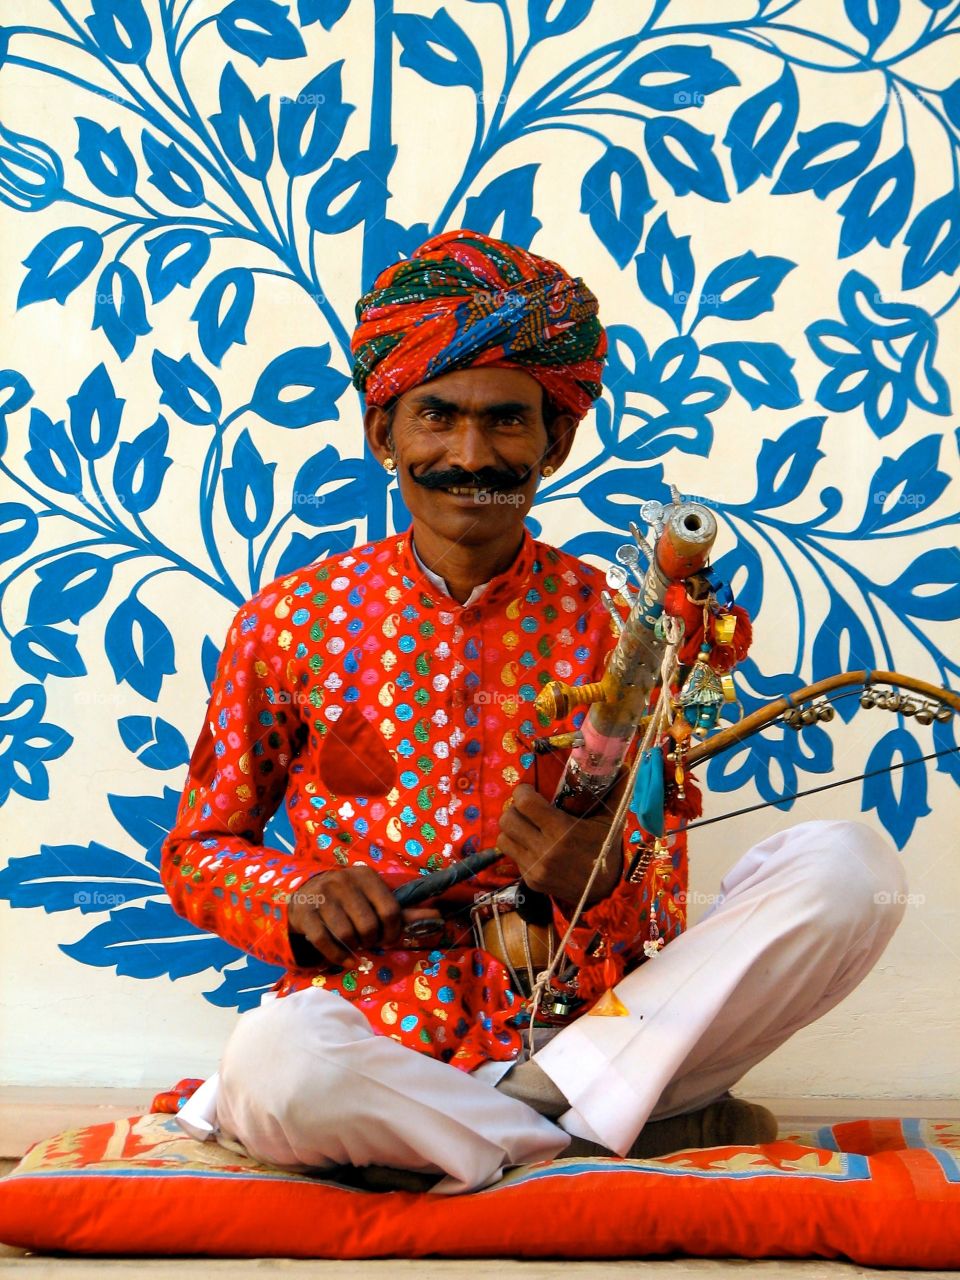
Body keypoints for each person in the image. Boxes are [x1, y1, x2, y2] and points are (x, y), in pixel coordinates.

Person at [160, 230, 908, 1194]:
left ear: (553, 440)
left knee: (848, 869)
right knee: (274, 1063)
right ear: (382, 432)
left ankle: (505, 1131)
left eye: (507, 422)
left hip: (588, 1035)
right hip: (372, 1034)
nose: (470, 455)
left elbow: (661, 894)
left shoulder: (623, 629)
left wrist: (596, 883)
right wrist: (297, 902)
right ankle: (598, 1136)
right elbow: (199, 849)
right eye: (437, 417)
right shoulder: (288, 621)